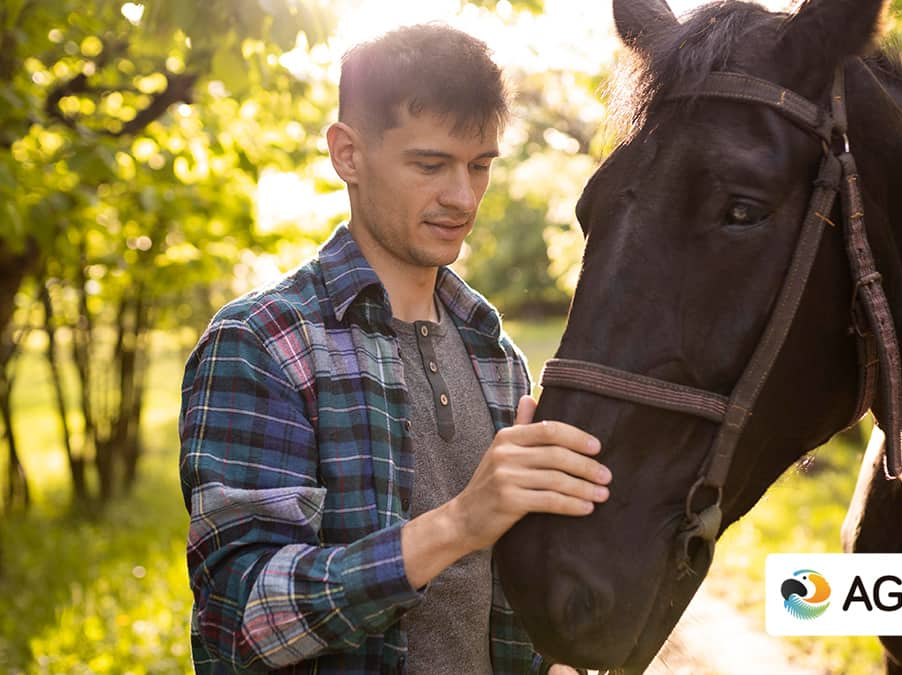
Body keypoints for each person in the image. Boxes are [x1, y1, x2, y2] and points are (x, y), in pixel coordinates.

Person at [178, 23, 609, 674]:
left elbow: (509, 590)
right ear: (347, 154)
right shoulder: (260, 342)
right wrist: (459, 523)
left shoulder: (498, 359)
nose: (462, 197)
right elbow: (240, 618)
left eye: (480, 165)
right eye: (430, 164)